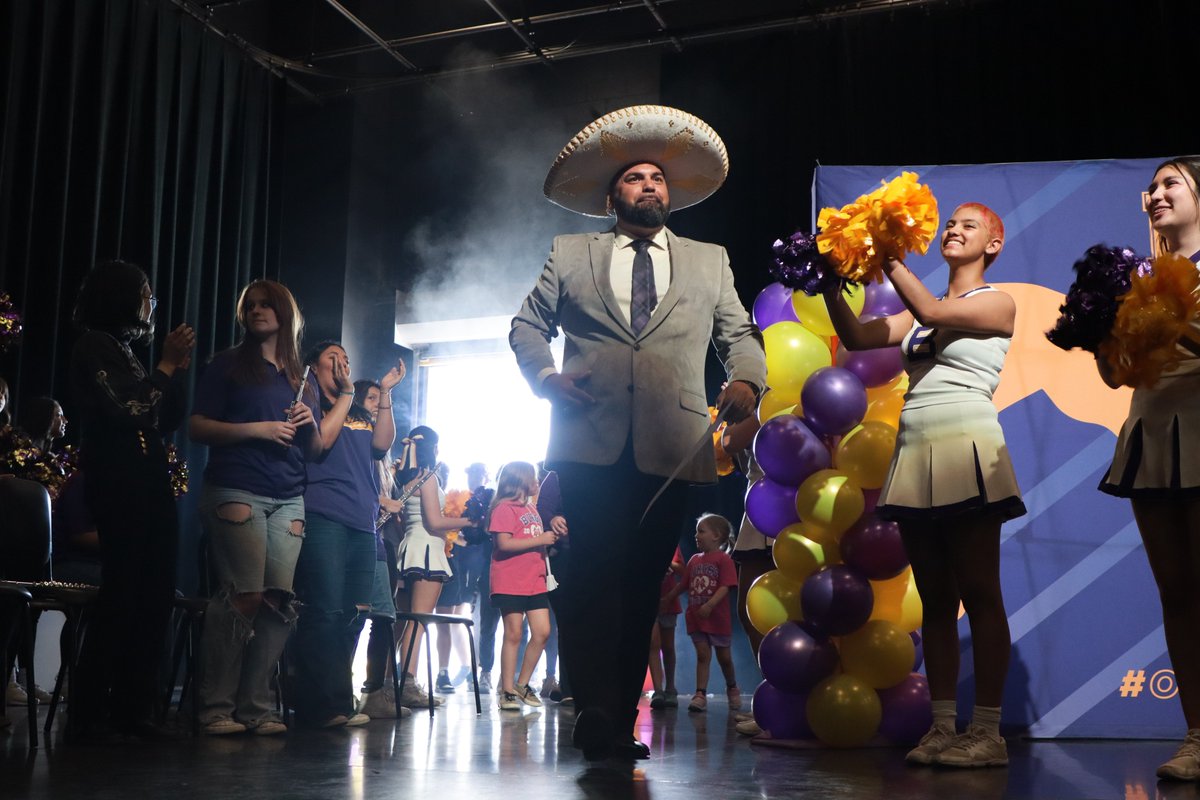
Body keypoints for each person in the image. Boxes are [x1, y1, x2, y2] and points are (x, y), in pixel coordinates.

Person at [510, 105, 765, 761]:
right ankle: (593, 708)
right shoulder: (571, 253)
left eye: (658, 177)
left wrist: (747, 382)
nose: (649, 185)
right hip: (587, 441)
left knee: (642, 586)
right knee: (591, 579)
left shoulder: (710, 260)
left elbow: (740, 337)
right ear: (611, 196)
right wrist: (545, 378)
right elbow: (526, 327)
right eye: (634, 178)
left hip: (674, 448)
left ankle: (616, 718)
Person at [823, 203, 1025, 768]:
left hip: (966, 444)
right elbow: (860, 338)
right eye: (950, 223)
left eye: (970, 225)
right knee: (936, 599)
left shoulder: (997, 300)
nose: (954, 230)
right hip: (916, 449)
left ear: (994, 244)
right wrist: (833, 288)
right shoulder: (919, 316)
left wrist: (886, 257)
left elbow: (933, 307)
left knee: (981, 591)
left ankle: (987, 732)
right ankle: (942, 727)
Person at [1097, 157, 1200, 782]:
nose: (1157, 194)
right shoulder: (1142, 278)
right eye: (1153, 186)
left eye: (1173, 184)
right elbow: (1116, 376)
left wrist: (1170, 311)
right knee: (1179, 594)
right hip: (1152, 436)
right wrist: (1100, 337)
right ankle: (1195, 736)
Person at [69, 259, 194, 738]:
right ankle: (92, 707)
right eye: (145, 293)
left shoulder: (127, 353)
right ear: (120, 296)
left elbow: (164, 418)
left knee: (155, 592)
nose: (151, 303)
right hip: (119, 477)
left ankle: (134, 706)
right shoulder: (95, 346)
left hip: (148, 478)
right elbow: (130, 408)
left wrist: (175, 371)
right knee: (124, 591)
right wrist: (164, 365)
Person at [189, 279, 320, 736]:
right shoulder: (227, 365)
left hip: (289, 496)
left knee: (277, 602)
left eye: (267, 305)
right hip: (236, 487)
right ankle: (216, 708)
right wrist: (258, 430)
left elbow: (318, 449)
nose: (258, 311)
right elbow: (198, 427)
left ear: (286, 313)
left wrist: (308, 421)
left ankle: (257, 708)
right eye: (251, 305)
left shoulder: (302, 378)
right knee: (242, 596)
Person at [291, 343, 404, 728]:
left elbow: (381, 444)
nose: (342, 363)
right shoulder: (311, 403)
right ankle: (316, 704)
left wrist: (385, 393)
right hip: (325, 515)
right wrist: (347, 393)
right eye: (332, 358)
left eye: (346, 359)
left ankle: (340, 701)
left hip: (362, 522)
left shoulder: (357, 411)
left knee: (354, 613)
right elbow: (320, 441)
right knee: (324, 609)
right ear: (314, 366)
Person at [393, 426, 472, 706]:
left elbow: (402, 520)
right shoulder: (427, 478)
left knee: (404, 622)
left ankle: (395, 682)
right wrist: (471, 522)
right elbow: (435, 523)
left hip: (408, 549)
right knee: (419, 621)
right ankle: (408, 684)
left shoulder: (402, 479)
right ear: (434, 449)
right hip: (426, 550)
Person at [487, 461, 558, 711]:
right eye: (534, 477)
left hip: (534, 580)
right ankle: (507, 690)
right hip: (510, 580)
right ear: (520, 480)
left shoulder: (531, 508)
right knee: (514, 633)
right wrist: (539, 539)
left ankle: (522, 683)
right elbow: (503, 544)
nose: (537, 482)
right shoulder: (504, 508)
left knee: (542, 632)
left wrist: (547, 542)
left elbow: (530, 540)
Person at [671, 513, 739, 713]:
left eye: (701, 531)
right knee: (703, 655)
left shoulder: (723, 559)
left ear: (716, 536)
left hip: (717, 619)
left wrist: (710, 605)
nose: (696, 535)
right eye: (696, 531)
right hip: (697, 618)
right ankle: (700, 693)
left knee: (724, 658)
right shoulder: (693, 560)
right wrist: (668, 598)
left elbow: (726, 585)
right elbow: (684, 584)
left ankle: (732, 687)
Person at [647, 547, 683, 710]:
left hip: (668, 601)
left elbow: (683, 570)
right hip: (649, 600)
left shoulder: (672, 545)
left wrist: (668, 563)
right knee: (653, 645)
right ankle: (658, 690)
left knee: (667, 647)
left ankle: (670, 688)